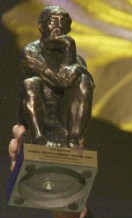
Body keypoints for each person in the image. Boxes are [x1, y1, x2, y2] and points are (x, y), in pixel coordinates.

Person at [19, 5, 94, 148]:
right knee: (31, 83)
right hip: (41, 109)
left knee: (84, 81)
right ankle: (39, 139)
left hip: (64, 113)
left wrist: (71, 56)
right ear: (41, 25)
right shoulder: (31, 52)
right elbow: (60, 80)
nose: (58, 27)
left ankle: (74, 139)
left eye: (63, 22)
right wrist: (70, 46)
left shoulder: (77, 60)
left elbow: (69, 80)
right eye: (53, 21)